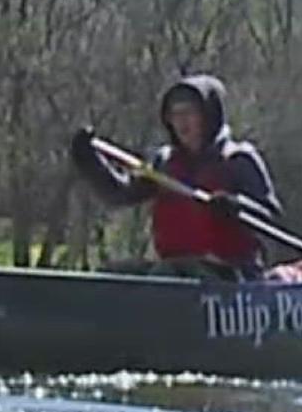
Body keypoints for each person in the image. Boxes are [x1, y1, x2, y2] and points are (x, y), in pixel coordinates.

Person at [68, 73, 281, 280]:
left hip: (231, 274)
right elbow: (119, 194)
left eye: (190, 112)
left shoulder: (238, 159)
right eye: (175, 114)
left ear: (209, 115)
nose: (181, 122)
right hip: (175, 270)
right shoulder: (164, 162)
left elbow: (271, 218)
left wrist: (237, 205)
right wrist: (90, 162)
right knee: (112, 276)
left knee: (166, 274)